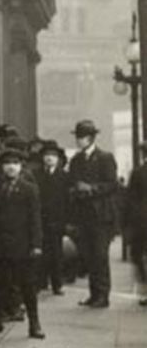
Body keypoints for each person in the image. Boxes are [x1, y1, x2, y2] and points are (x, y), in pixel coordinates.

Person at [0, 148, 45, 339]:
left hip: (23, 245)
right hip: (2, 245)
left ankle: (34, 323)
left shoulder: (30, 189)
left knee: (28, 286)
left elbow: (35, 218)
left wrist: (36, 244)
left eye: (15, 163)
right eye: (6, 163)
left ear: (21, 166)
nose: (10, 167)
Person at [67, 120, 120, 309]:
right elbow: (71, 183)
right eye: (78, 137)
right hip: (83, 215)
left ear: (91, 138)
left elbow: (113, 184)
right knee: (88, 256)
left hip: (101, 216)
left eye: (82, 137)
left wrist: (91, 188)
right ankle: (94, 293)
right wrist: (76, 189)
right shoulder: (75, 160)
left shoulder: (105, 158)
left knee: (100, 255)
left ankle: (102, 295)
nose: (79, 140)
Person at [36, 140, 70, 296]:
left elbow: (68, 201)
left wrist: (66, 221)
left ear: (58, 158)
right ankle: (41, 281)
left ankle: (57, 284)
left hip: (57, 219)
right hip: (40, 219)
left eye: (53, 155)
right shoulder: (36, 175)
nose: (49, 158)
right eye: (46, 155)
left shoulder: (64, 176)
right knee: (40, 250)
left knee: (56, 253)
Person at [124, 141, 147, 305]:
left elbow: (130, 201)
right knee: (137, 255)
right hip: (141, 223)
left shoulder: (138, 173)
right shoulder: (138, 173)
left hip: (141, 223)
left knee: (137, 255)